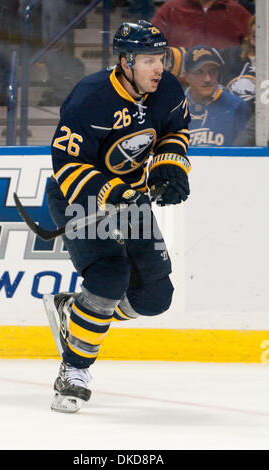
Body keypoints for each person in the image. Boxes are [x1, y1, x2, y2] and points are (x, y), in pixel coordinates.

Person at [45, 20, 191, 413]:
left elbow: (174, 130)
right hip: (81, 198)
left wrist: (170, 166)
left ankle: (76, 313)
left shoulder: (168, 90)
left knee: (156, 297)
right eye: (148, 60)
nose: (158, 67)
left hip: (131, 200)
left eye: (160, 58)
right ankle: (74, 370)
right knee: (110, 276)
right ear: (126, 62)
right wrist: (114, 192)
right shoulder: (89, 98)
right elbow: (67, 163)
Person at [184, 45, 250, 146]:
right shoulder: (174, 108)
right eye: (199, 72)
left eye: (212, 71)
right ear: (186, 76)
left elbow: (244, 154)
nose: (207, 79)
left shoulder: (236, 106)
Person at [151, 0, 252, 49]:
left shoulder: (236, 11)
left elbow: (259, 45)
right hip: (180, 83)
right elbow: (150, 44)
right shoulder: (170, 9)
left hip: (227, 81)